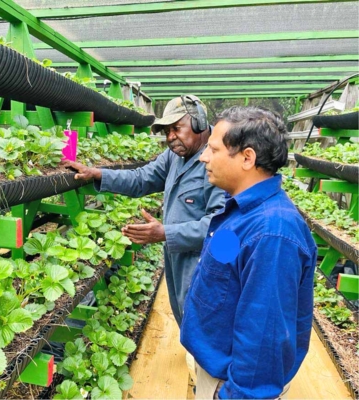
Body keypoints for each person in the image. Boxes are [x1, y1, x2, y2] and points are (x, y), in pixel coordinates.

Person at [180, 106, 317, 399]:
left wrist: (233, 394)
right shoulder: (240, 212)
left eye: (213, 149)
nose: (203, 157)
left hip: (232, 385)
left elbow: (263, 337)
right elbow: (227, 278)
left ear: (247, 158)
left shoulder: (273, 233)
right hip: (214, 366)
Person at [63, 95, 225, 326]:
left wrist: (165, 233)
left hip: (204, 261)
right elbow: (141, 178)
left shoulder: (218, 161)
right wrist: (99, 173)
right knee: (185, 314)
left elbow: (220, 226)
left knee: (204, 320)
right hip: (176, 257)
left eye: (176, 128)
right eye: (166, 131)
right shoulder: (174, 156)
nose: (171, 137)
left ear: (199, 123)